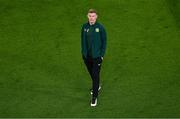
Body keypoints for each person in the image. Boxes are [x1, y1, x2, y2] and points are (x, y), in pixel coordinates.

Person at [81, 9, 107, 106]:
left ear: (96, 17)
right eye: (90, 16)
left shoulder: (100, 28)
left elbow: (104, 42)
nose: (91, 18)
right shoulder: (84, 27)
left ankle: (94, 97)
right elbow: (82, 40)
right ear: (87, 16)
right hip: (87, 57)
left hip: (97, 57)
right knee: (92, 74)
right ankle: (97, 86)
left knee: (95, 75)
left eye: (93, 16)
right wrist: (83, 53)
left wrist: (102, 55)